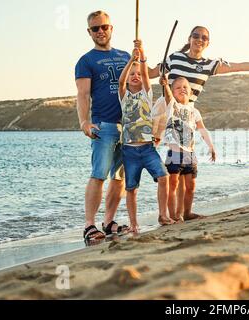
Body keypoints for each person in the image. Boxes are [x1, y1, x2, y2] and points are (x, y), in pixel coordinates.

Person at [149, 25, 249, 220]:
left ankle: (182, 213)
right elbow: (149, 73)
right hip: (168, 108)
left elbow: (240, 65)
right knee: (166, 161)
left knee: (185, 171)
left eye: (204, 37)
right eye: (196, 36)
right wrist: (138, 57)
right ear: (189, 38)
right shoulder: (174, 58)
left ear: (208, 43)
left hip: (188, 115)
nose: (200, 39)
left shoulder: (209, 64)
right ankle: (166, 213)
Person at [75, 11, 131, 242]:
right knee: (98, 174)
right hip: (103, 125)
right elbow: (83, 94)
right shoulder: (86, 61)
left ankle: (108, 221)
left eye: (104, 27)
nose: (100, 31)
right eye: (95, 28)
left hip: (127, 126)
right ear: (89, 32)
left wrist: (142, 57)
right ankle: (89, 226)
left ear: (111, 28)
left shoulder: (126, 55)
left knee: (119, 178)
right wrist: (84, 122)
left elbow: (142, 79)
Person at [118, 40, 175, 232]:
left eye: (138, 74)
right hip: (129, 151)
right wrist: (130, 61)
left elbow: (144, 72)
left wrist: (141, 55)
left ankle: (163, 214)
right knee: (131, 188)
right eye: (131, 75)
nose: (135, 76)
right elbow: (120, 80)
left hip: (147, 148)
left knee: (163, 177)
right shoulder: (124, 95)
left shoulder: (146, 93)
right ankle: (134, 223)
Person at [158, 75, 216, 222]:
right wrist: (165, 85)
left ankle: (187, 213)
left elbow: (202, 129)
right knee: (173, 185)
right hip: (175, 154)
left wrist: (211, 146)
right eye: (177, 87)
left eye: (185, 87)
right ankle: (173, 216)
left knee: (190, 186)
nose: (182, 89)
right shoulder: (172, 106)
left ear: (191, 92)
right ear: (172, 92)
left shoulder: (194, 111)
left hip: (190, 154)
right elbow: (168, 96)